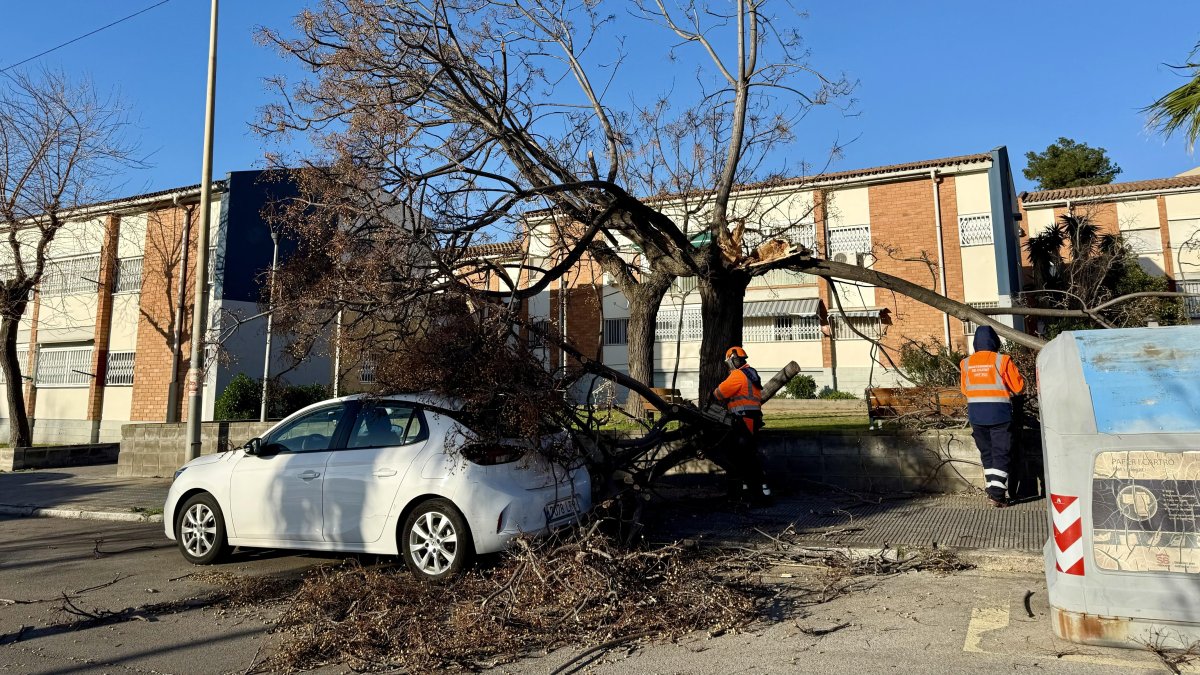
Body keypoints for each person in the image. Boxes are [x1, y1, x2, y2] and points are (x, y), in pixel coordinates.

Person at [959, 325, 1026, 508]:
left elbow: (965, 389)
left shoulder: (965, 363)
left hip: (976, 415)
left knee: (987, 454)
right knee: (1001, 453)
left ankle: (992, 490)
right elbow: (1018, 387)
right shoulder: (1002, 361)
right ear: (995, 341)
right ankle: (997, 495)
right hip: (999, 415)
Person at [712, 346, 772, 505]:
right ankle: (758, 492)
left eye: (728, 363)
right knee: (749, 456)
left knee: (743, 457)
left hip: (743, 421)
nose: (728, 366)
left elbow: (719, 393)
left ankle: (752, 495)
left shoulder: (737, 375)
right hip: (752, 419)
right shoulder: (751, 373)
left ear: (732, 360)